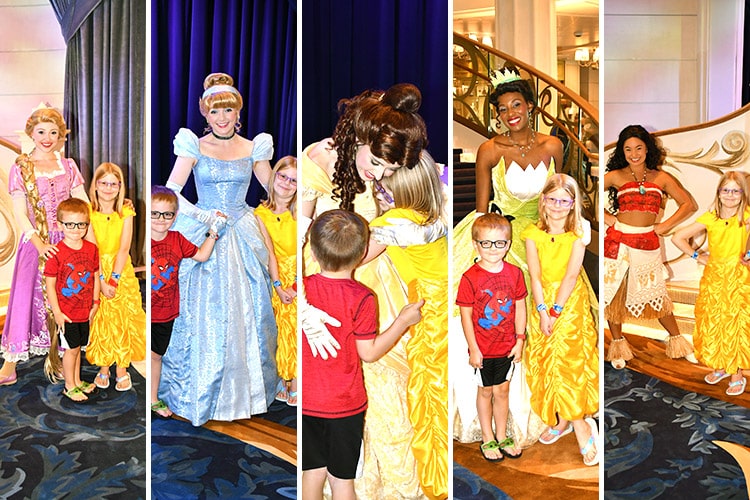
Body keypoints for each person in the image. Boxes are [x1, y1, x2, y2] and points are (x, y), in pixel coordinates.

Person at [301, 83, 441, 498]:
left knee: (382, 385)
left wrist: (426, 227)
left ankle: (378, 482)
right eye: (377, 162)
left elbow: (417, 207)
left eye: (388, 169)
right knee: (327, 387)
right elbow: (298, 236)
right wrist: (305, 307)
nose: (379, 174)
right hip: (322, 279)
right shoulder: (318, 158)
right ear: (360, 137)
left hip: (375, 284)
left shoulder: (390, 167)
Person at [452, 69, 566, 447]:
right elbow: (482, 211)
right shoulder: (490, 149)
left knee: (553, 318)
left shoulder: (552, 146)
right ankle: (499, 420)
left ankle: (555, 406)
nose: (510, 113)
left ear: (530, 107)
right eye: (502, 109)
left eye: (516, 104)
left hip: (543, 240)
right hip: (502, 241)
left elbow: (559, 199)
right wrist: (478, 256)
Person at [160, 72, 278, 426]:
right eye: (215, 112)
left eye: (228, 110)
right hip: (207, 229)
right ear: (205, 113)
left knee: (251, 311)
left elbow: (273, 185)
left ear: (237, 111)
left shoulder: (252, 147)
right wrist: (204, 215)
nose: (222, 117)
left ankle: (248, 393)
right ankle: (202, 391)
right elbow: (171, 191)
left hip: (242, 229)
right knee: (206, 313)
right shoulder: (194, 146)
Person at [301, 209, 424, 500]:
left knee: (312, 473)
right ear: (360, 256)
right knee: (342, 480)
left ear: (314, 254)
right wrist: (402, 322)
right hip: (345, 404)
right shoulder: (362, 297)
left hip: (308, 400)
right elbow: (368, 353)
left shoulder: (302, 289)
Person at [365, 151, 448, 498]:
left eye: (386, 178)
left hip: (427, 308)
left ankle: (434, 477)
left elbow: (352, 256)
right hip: (443, 298)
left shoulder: (394, 221)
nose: (379, 180)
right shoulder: (433, 209)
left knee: (427, 391)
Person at [1, 106, 89, 386]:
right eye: (41, 132)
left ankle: (63, 355)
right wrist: (39, 243)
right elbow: (18, 211)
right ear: (32, 133)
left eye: (53, 132)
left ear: (61, 135)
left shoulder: (68, 166)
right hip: (34, 242)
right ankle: (10, 363)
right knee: (25, 297)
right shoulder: (22, 167)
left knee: (66, 298)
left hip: (68, 242)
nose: (47, 137)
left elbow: (83, 203)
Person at [603, 125, 698, 369]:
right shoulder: (615, 176)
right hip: (620, 240)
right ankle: (617, 345)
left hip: (647, 242)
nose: (634, 154)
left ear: (647, 148)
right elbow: (582, 195)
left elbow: (688, 204)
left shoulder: (661, 177)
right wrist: (607, 217)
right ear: (621, 151)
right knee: (615, 293)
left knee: (655, 293)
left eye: (638, 148)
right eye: (628, 149)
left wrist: (665, 225)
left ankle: (677, 340)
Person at [521, 174, 599, 466]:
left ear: (573, 204)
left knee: (568, 361)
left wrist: (555, 311)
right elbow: (536, 275)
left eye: (564, 201)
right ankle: (562, 419)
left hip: (568, 302)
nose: (557, 206)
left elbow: (570, 275)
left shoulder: (580, 231)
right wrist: (542, 310)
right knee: (549, 361)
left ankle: (581, 426)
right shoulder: (532, 232)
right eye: (552, 199)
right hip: (542, 300)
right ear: (543, 200)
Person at [672, 171, 749, 396]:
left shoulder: (746, 216)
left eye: (736, 190)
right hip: (714, 277)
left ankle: (736, 372)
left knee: (736, 322)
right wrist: (697, 256)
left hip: (739, 278)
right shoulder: (710, 218)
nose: (731, 195)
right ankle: (721, 364)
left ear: (743, 194)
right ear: (719, 192)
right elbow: (678, 237)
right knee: (714, 320)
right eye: (726, 190)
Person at [456, 213, 526, 462]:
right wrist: (473, 348)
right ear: (476, 244)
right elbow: (466, 317)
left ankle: (502, 434)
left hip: (507, 348)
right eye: (486, 243)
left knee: (503, 391)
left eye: (499, 243)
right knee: (485, 391)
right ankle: (487, 437)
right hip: (483, 350)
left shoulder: (515, 274)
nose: (493, 249)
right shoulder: (469, 278)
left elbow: (520, 307)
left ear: (508, 244)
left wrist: (520, 340)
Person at [150, 185, 220, 417]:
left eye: (167, 214)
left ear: (175, 216)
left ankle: (152, 398)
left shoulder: (177, 239)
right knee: (145, 353)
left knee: (156, 355)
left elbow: (201, 255)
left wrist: (212, 234)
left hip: (166, 311)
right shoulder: (141, 242)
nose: (161, 219)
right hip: (145, 310)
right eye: (155, 213)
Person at [85, 163, 146, 391]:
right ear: (96, 185)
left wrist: (114, 280)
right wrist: (100, 281)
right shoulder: (89, 213)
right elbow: (93, 250)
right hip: (96, 268)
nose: (108, 188)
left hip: (121, 271)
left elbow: (123, 248)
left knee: (122, 317)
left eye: (114, 183)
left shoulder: (126, 212)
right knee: (102, 318)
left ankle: (121, 368)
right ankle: (103, 368)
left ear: (120, 187)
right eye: (104, 183)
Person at [42, 198, 100, 402]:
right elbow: (50, 285)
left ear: (87, 224)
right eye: (70, 224)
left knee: (78, 349)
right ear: (60, 225)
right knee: (71, 350)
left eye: (81, 224)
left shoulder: (91, 249)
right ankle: (69, 386)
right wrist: (57, 312)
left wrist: (96, 302)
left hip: (85, 309)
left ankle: (76, 380)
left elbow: (94, 276)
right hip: (66, 313)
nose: (76, 229)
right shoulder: (55, 253)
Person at [255, 156, 298, 406]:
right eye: (283, 176)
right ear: (274, 177)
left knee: (296, 326)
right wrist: (279, 286)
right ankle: (285, 376)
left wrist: (295, 285)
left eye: (293, 180)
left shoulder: (301, 209)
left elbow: (308, 251)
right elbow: (270, 252)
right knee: (281, 330)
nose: (287, 183)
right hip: (278, 275)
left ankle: (296, 381)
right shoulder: (261, 213)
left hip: (303, 272)